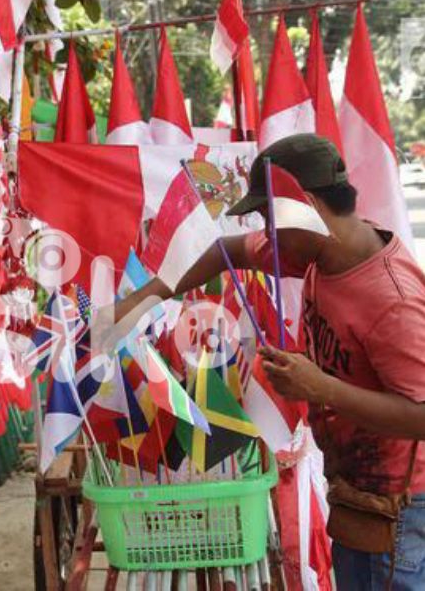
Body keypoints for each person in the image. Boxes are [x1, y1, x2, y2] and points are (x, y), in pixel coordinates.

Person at [110, 134, 425, 589]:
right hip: (356, 496)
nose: (265, 232)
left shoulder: (391, 301)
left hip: (401, 508)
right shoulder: (323, 249)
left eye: (270, 217)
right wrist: (140, 301)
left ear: (310, 207)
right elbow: (228, 251)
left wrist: (322, 389)